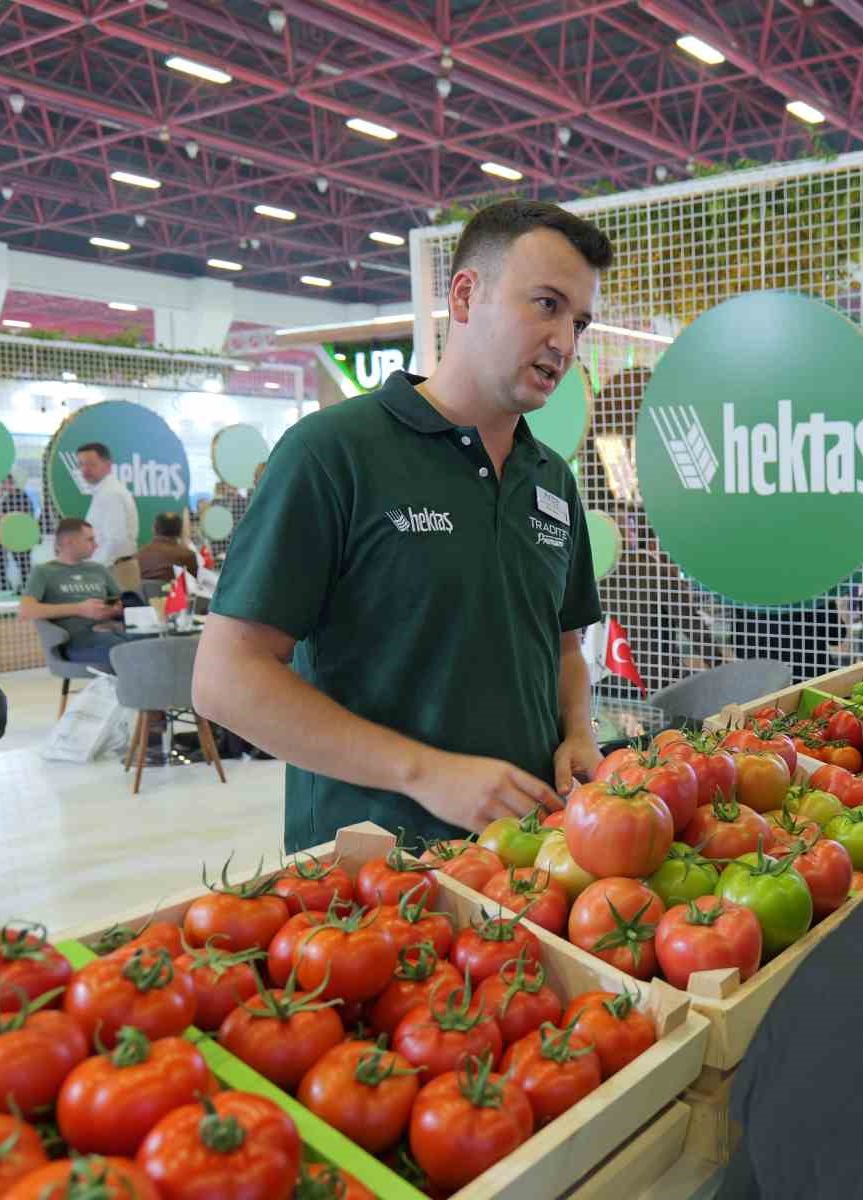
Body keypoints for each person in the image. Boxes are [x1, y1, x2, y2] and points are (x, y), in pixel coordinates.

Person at [195, 199, 611, 853]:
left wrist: (578, 732)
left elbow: (562, 649)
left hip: (531, 854)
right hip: (373, 870)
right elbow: (226, 679)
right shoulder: (333, 453)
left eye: (579, 321)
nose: (565, 342)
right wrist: (424, 773)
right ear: (466, 296)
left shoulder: (551, 479)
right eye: (546, 305)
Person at [18, 518, 131, 669]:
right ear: (69, 542)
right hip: (77, 642)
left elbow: (123, 601)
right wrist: (80, 609)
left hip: (112, 632)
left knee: (151, 644)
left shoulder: (98, 569)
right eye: (90, 540)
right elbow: (26, 611)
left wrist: (114, 610)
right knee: (131, 653)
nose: (96, 545)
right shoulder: (43, 572)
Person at [76, 442, 138, 570]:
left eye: (91, 464)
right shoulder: (105, 491)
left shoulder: (110, 494)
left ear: (108, 466)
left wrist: (93, 567)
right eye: (81, 464)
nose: (85, 470)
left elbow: (115, 540)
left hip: (112, 568)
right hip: (110, 566)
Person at [137, 511, 198, 582]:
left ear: (154, 529)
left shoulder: (139, 556)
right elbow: (195, 584)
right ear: (180, 531)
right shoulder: (188, 556)